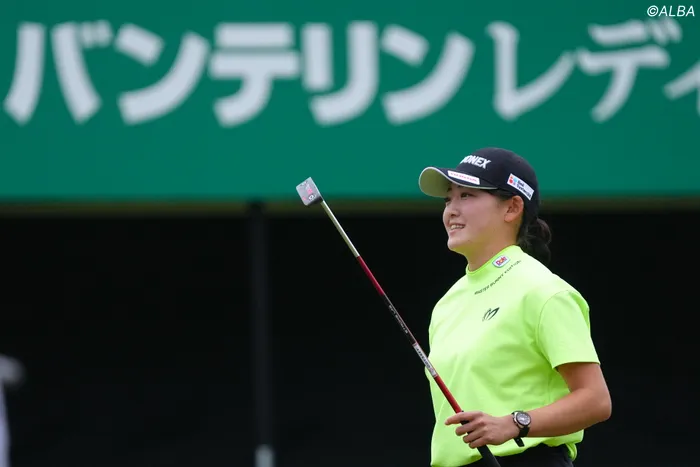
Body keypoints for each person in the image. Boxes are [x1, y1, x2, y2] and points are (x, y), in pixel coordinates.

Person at [416, 147, 612, 467]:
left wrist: (514, 423)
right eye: (448, 199)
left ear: (512, 208)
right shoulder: (446, 304)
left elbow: (595, 400)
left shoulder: (544, 290)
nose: (451, 210)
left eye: (467, 196)